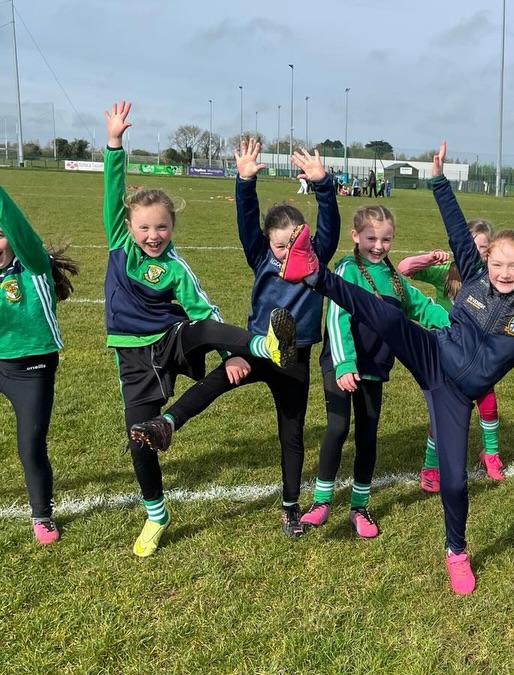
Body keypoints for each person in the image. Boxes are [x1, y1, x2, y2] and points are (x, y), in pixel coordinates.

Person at [278, 141, 514, 595]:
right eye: (498, 263)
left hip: (455, 395)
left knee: (455, 481)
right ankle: (313, 274)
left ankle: (456, 551)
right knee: (383, 315)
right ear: (487, 263)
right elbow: (457, 232)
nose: (505, 272)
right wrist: (441, 180)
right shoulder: (474, 272)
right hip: (432, 354)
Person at [101, 101, 298, 557]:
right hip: (132, 355)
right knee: (141, 436)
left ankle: (264, 344)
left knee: (198, 326)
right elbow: (112, 194)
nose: (154, 235)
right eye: (145, 227)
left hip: (170, 340)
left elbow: (202, 307)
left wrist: (234, 352)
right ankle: (156, 514)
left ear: (172, 227)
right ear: (129, 227)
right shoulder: (120, 248)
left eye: (162, 227)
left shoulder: (174, 266)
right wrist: (114, 144)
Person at [128, 138, 340, 539]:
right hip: (257, 346)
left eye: (294, 243)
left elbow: (329, 224)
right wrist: (244, 182)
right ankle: (167, 423)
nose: (286, 252)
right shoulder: (260, 256)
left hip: (294, 357)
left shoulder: (314, 258)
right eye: (279, 245)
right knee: (216, 380)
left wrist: (322, 186)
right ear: (267, 244)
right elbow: (246, 219)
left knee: (291, 432)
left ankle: (290, 508)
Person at [299, 204, 449, 538]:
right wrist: (344, 363)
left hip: (374, 369)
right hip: (340, 365)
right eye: (371, 238)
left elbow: (422, 308)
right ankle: (321, 502)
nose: (378, 246)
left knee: (368, 435)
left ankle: (359, 506)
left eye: (386, 239)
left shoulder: (395, 279)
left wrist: (458, 326)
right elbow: (336, 319)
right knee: (338, 428)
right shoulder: (347, 270)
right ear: (356, 236)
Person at [398, 219, 506, 490]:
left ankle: (491, 454)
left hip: (479, 354)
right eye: (470, 245)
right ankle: (431, 466)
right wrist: (429, 258)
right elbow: (404, 269)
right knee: (443, 413)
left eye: (482, 247)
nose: (476, 251)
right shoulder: (446, 271)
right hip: (447, 353)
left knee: (488, 403)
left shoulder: (491, 276)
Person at [0, 188, 79, 544]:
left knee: (31, 445)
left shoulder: (33, 265)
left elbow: (16, 227)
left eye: (0, 235)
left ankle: (42, 515)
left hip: (31, 369)